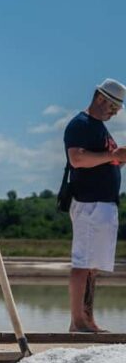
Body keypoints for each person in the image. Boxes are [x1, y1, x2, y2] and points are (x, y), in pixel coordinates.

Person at [64, 78, 126, 333]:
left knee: (92, 265)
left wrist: (117, 160)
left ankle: (87, 319)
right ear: (100, 98)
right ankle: (78, 321)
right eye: (113, 108)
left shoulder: (99, 128)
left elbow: (100, 161)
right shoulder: (81, 124)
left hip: (103, 205)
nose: (115, 113)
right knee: (82, 263)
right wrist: (112, 156)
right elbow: (77, 159)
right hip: (89, 204)